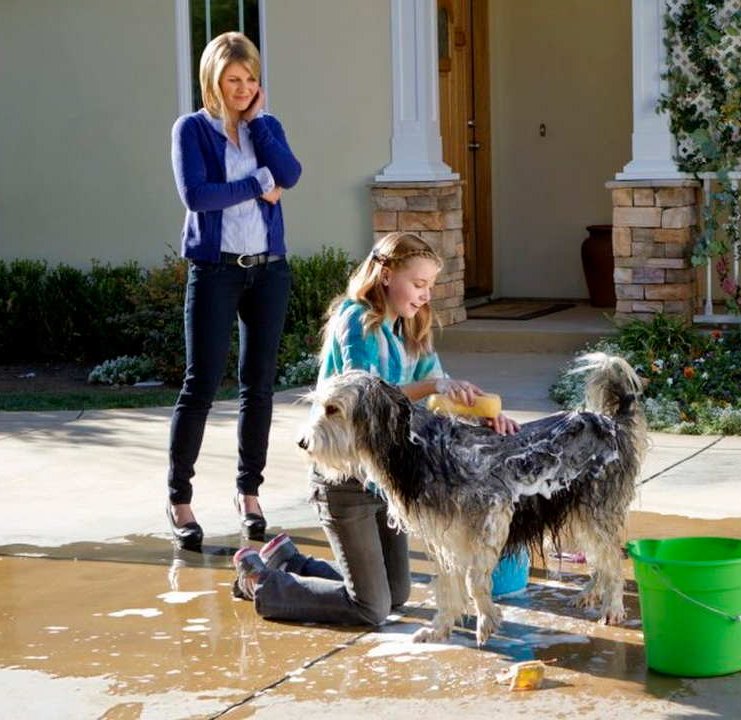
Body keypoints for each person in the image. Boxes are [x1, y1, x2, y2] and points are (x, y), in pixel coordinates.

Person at [231, 232, 519, 625]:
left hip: (383, 479)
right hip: (342, 477)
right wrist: (434, 386)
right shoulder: (356, 320)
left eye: (430, 286)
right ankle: (260, 581)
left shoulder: (411, 328)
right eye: (418, 284)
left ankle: (288, 560)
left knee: (396, 595)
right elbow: (370, 398)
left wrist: (483, 413)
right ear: (386, 275)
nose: (426, 295)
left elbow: (440, 391)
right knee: (371, 608)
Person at [166, 32, 302, 550]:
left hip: (269, 270)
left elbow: (290, 173)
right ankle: (180, 499)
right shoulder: (192, 130)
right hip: (216, 270)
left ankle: (250, 495)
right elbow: (198, 196)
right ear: (213, 81)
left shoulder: (264, 126)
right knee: (200, 384)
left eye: (250, 79)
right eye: (233, 79)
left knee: (259, 385)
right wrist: (256, 186)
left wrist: (260, 124)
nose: (243, 88)